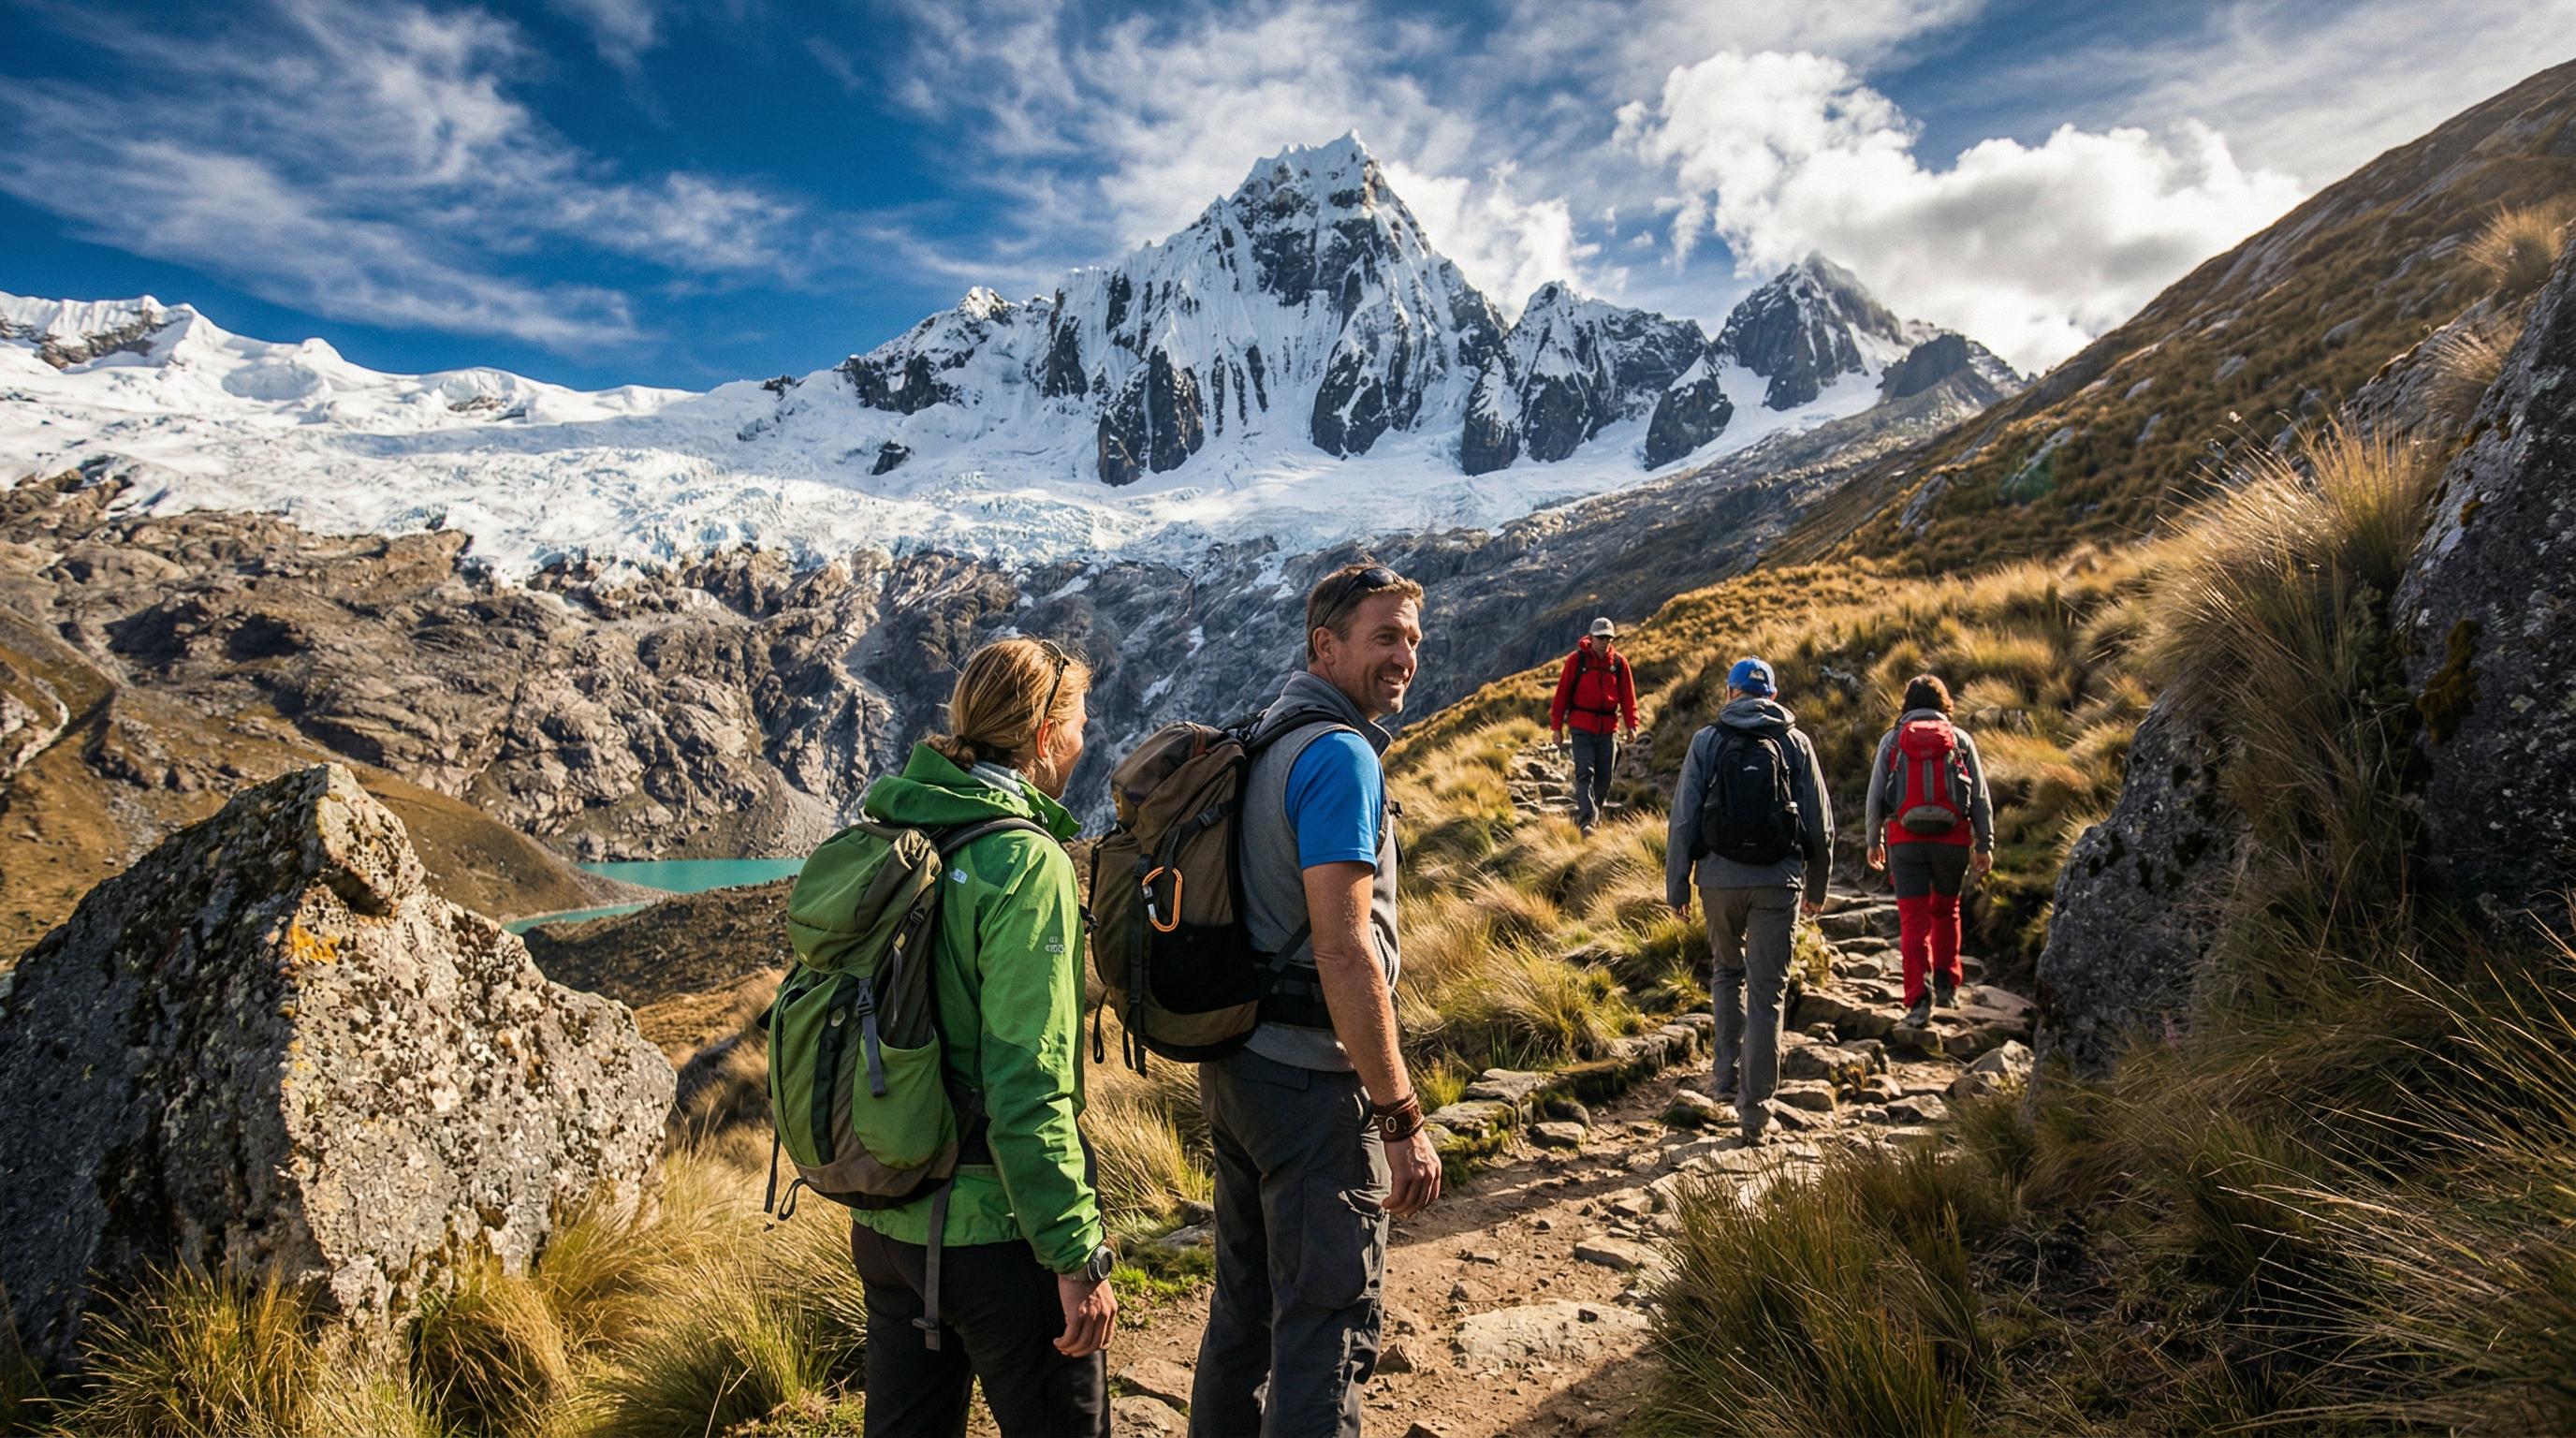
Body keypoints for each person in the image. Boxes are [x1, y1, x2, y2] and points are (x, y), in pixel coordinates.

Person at [1192, 563, 1444, 1438]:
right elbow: (1343, 951)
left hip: (1239, 1066)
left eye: (1412, 637)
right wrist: (1400, 1115)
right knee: (1328, 1324)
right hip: (1309, 1084)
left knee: (1245, 1313)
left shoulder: (1269, 733)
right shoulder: (1338, 756)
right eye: (1386, 637)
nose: (1405, 655)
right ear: (1325, 645)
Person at [847, 637, 1119, 1437]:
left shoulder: (895, 827)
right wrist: (1075, 1257)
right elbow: (1027, 1086)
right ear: (1043, 739)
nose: (1084, 739)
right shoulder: (1024, 863)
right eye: (1077, 723)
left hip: (888, 1222)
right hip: (992, 1236)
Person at [1665, 657, 1834, 1145]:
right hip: (1778, 882)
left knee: (1725, 972)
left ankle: (1723, 1080)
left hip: (1716, 880)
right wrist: (1817, 889)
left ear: (1730, 692)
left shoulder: (1707, 740)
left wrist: (1678, 886)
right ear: (1773, 696)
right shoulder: (1794, 741)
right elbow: (1821, 825)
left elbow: (1683, 820)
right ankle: (1755, 1112)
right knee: (1767, 992)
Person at [1864, 674, 1996, 1028]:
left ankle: (1918, 1001)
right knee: (1946, 910)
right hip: (1952, 841)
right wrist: (1984, 844)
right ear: (1944, 702)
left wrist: (1873, 840)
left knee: (1914, 920)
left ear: (1907, 702)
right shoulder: (1960, 740)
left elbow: (1876, 795)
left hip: (1904, 840)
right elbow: (1980, 798)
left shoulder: (1892, 740)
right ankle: (1947, 987)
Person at [1548, 616, 1639, 834]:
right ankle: (1586, 822)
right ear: (1590, 637)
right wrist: (1557, 727)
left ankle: (1593, 820)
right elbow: (1562, 695)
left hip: (1609, 728)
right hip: (1581, 726)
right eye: (1600, 638)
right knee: (1584, 774)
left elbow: (1628, 697)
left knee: (1605, 778)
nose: (1604, 642)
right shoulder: (1576, 660)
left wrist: (1632, 725)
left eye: (1608, 638)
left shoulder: (1619, 663)